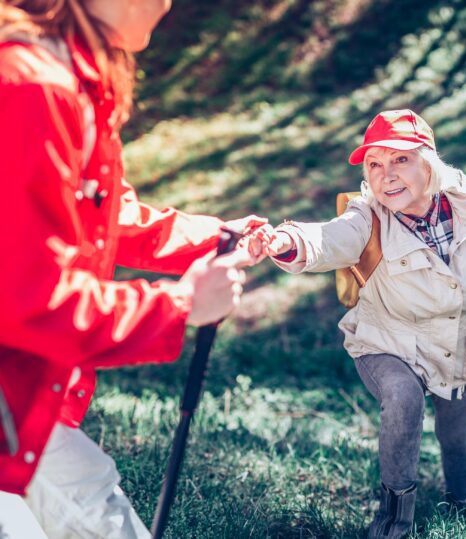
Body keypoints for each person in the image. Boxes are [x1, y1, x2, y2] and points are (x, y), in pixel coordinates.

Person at [0, 1, 266, 537]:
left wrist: (214, 239)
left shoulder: (68, 77)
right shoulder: (35, 87)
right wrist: (181, 304)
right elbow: (32, 300)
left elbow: (103, 213)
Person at [254, 109, 466, 538]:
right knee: (404, 396)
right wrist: (286, 240)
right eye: (374, 164)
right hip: (387, 339)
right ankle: (394, 522)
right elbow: (330, 239)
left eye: (399, 160)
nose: (385, 175)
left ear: (428, 161)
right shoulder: (366, 216)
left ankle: (459, 505)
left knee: (454, 437)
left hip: (461, 342)